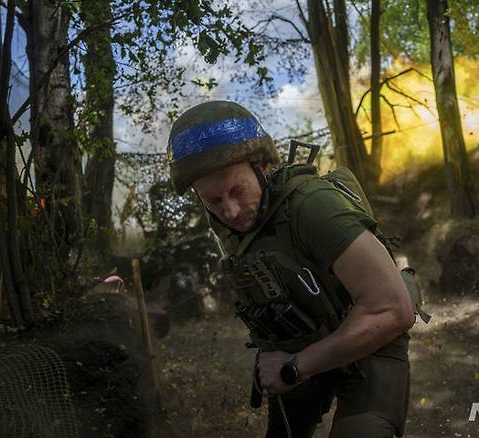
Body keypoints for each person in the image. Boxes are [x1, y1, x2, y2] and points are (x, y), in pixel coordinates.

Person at [167, 100, 417, 437]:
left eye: (237, 190)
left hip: (370, 341)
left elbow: (393, 311)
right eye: (214, 201)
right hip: (302, 344)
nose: (230, 210)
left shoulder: (313, 206)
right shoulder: (230, 224)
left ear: (262, 166)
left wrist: (292, 369)